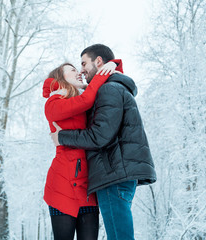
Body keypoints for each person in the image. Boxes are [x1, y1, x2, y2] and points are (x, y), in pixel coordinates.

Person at [50, 44, 157, 240]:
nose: (81, 70)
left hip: (113, 175)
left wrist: (62, 137)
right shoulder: (114, 87)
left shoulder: (109, 89)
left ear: (98, 62)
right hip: (116, 173)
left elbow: (99, 136)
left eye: (83, 64)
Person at [43, 59, 123, 240]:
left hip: (88, 185)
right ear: (60, 79)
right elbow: (87, 99)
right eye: (71, 70)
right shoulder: (53, 103)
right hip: (62, 184)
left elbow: (109, 91)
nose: (78, 72)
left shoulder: (81, 100)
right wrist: (107, 68)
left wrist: (115, 66)